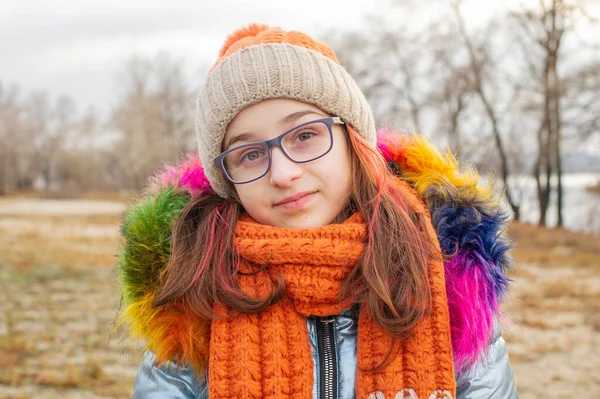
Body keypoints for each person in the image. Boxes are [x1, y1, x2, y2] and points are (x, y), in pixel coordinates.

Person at [116, 24, 518, 399]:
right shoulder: (193, 297)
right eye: (250, 154)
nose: (283, 173)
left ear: (352, 141)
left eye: (305, 135)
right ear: (228, 178)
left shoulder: (450, 282)